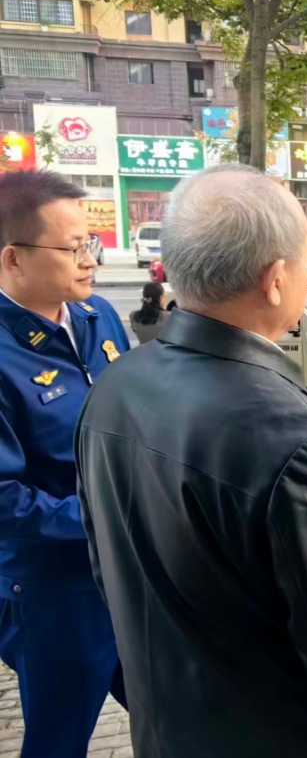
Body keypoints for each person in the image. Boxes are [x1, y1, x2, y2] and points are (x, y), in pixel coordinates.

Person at [73, 165, 307, 758]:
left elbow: (106, 569)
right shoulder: (300, 439)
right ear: (276, 279)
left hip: (164, 730)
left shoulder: (113, 386)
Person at [0, 170, 129, 757]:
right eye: (73, 248)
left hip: (127, 568)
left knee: (180, 708)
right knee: (59, 739)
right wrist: (106, 517)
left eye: (91, 243)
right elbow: (4, 501)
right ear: (14, 258)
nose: (90, 260)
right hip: (53, 589)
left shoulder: (97, 314)